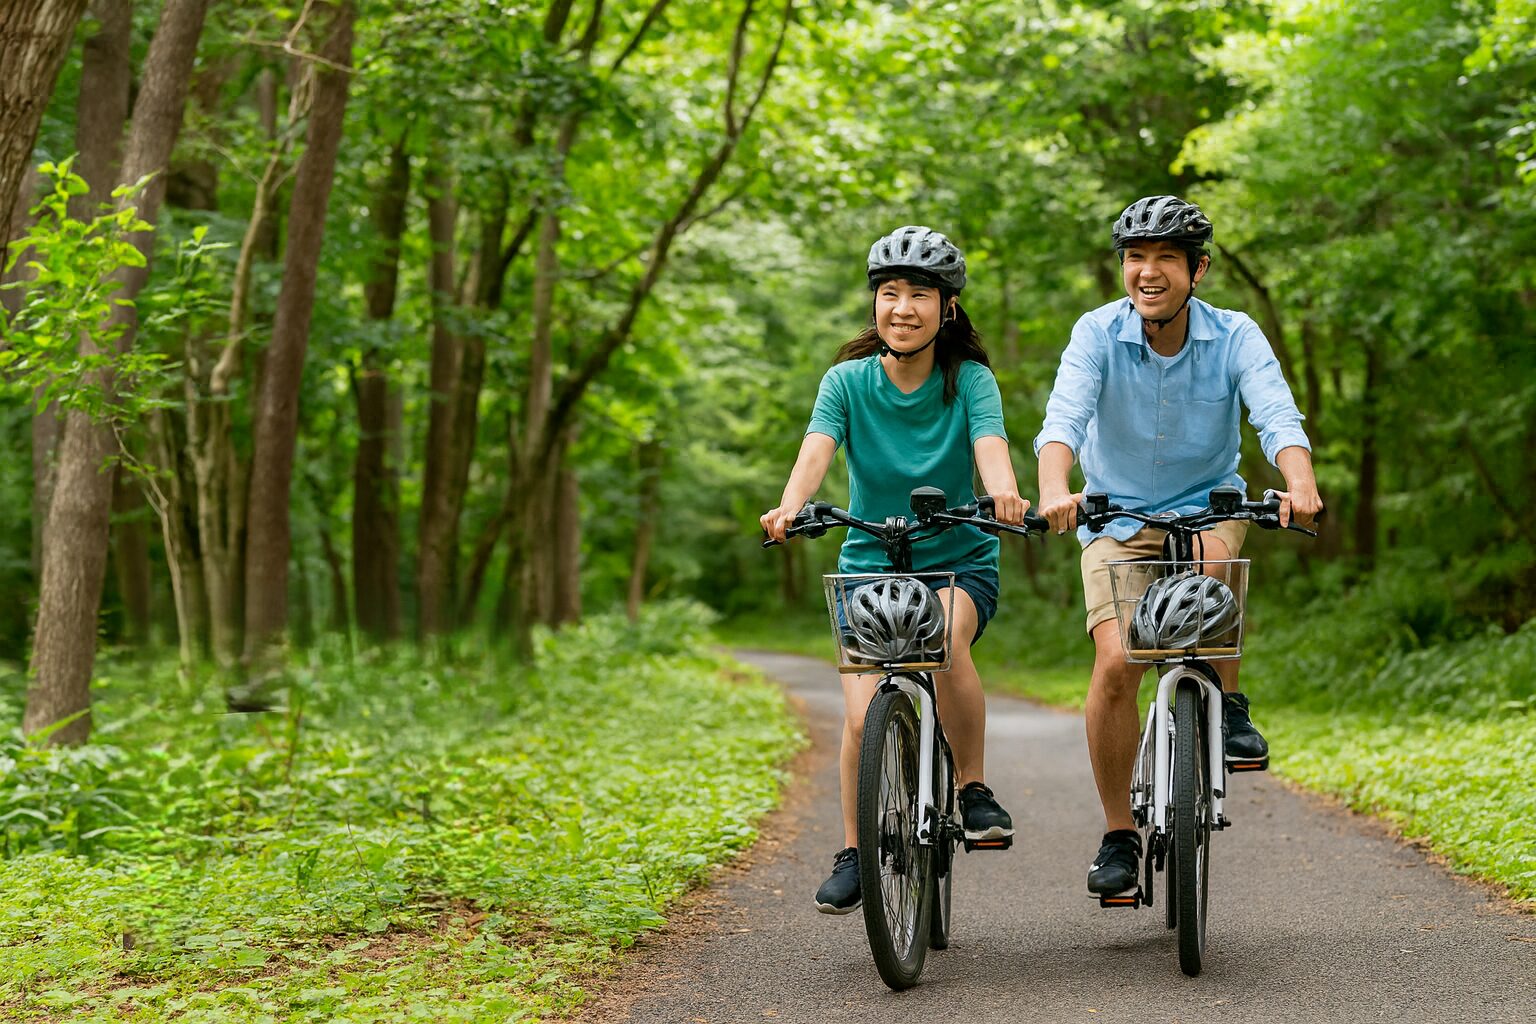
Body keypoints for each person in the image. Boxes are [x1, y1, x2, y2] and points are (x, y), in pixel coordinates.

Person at [1032, 195, 1324, 899]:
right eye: (1137, 257)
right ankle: (1117, 836)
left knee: (1214, 563)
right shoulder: (1097, 333)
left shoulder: (1235, 335)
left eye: (1166, 258)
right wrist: (1052, 488)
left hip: (1205, 507)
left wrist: (1301, 485)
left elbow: (1274, 411)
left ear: (1197, 269)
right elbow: (1063, 419)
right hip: (1117, 518)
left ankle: (1226, 704)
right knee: (1115, 663)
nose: (1148, 271)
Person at [760, 225, 1030, 914]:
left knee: (943, 641)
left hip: (957, 560)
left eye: (919, 295)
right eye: (889, 293)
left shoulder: (968, 380)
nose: (902, 307)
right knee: (858, 721)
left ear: (947, 310)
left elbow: (990, 445)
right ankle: (855, 852)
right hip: (869, 565)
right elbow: (816, 452)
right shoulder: (846, 381)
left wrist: (1003, 490)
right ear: (874, 305)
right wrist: (790, 507)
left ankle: (971, 788)